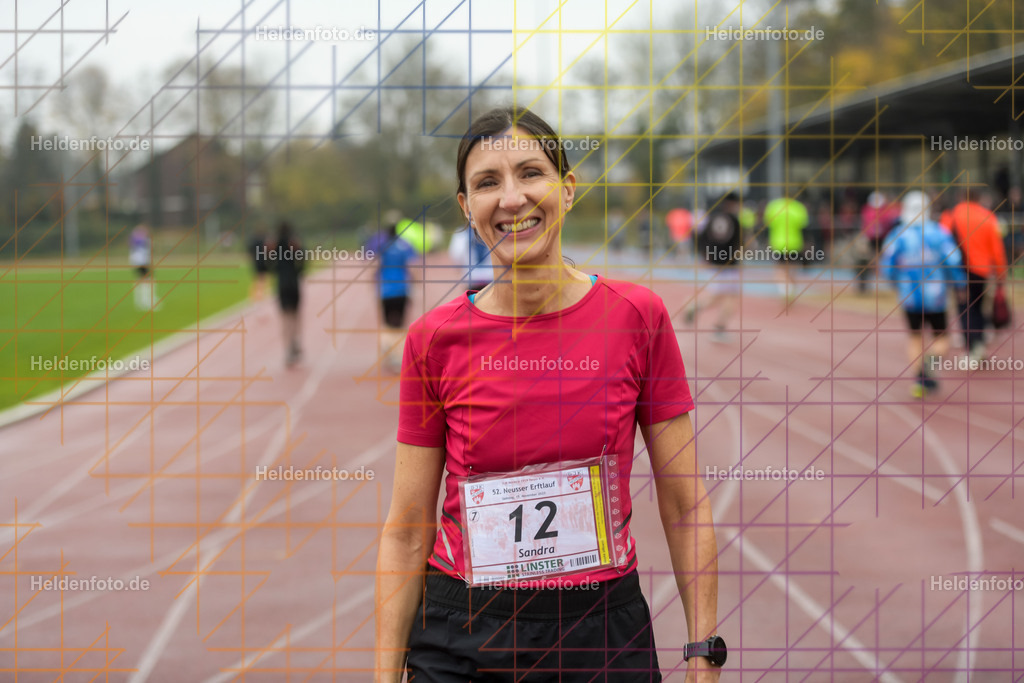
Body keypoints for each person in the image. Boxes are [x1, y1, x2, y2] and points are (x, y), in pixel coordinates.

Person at [375, 106, 723, 682]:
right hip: (462, 635)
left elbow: (686, 507)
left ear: (567, 188)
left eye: (530, 173)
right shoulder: (433, 340)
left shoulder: (638, 317)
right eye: (487, 182)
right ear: (467, 207)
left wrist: (703, 655)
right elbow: (408, 527)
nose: (511, 199)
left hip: (599, 634)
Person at [880, 191, 966, 397]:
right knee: (942, 338)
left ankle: (919, 379)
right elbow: (953, 261)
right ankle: (929, 365)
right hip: (936, 297)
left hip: (909, 296)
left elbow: (888, 265)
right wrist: (960, 284)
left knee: (915, 338)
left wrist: (893, 283)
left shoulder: (897, 235)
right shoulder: (939, 233)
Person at [940, 188, 1009, 361]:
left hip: (960, 271)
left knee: (964, 308)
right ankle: (978, 342)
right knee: (977, 307)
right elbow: (997, 249)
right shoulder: (988, 216)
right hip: (982, 271)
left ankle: (973, 347)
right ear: (978, 198)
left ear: (961, 197)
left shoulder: (951, 216)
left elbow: (942, 244)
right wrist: (1001, 274)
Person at [684, 192, 744, 342]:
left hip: (714, 263)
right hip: (729, 264)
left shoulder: (712, 218)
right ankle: (719, 327)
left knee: (718, 295)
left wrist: (705, 255)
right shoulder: (735, 220)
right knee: (730, 296)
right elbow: (739, 243)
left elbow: (701, 237)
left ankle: (694, 307)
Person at [377, 218, 418, 373]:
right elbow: (411, 268)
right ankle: (398, 356)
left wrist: (373, 284)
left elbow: (375, 266)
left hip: (386, 290)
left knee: (387, 323)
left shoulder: (382, 247)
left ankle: (388, 354)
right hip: (402, 289)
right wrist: (415, 284)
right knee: (400, 324)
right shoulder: (405, 246)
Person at [267, 222, 304, 367]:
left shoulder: (274, 245)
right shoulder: (294, 243)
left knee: (285, 317)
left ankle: (288, 347)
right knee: (295, 315)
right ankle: (294, 341)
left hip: (282, 284)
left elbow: (268, 265)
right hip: (293, 283)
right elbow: (302, 264)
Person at [763, 195, 808, 304]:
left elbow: (767, 227)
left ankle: (786, 290)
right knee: (792, 268)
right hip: (795, 243)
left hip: (778, 243)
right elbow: (804, 228)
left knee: (780, 269)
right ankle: (791, 291)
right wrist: (807, 243)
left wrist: (766, 241)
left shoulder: (773, 207)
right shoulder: (799, 207)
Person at [447, 223, 493, 292]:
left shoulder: (461, 233)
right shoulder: (494, 232)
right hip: (491, 278)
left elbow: (456, 255)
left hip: (471, 279)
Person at [129, 222, 159, 311]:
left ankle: (143, 300)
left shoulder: (142, 239)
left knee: (144, 280)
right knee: (147, 280)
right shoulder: (139, 239)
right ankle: (146, 300)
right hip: (140, 261)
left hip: (142, 261)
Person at [248, 230, 270, 301]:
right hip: (262, 262)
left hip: (257, 261)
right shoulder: (263, 242)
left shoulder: (254, 243)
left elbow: (250, 251)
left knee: (259, 278)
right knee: (261, 278)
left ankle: (257, 294)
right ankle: (258, 294)